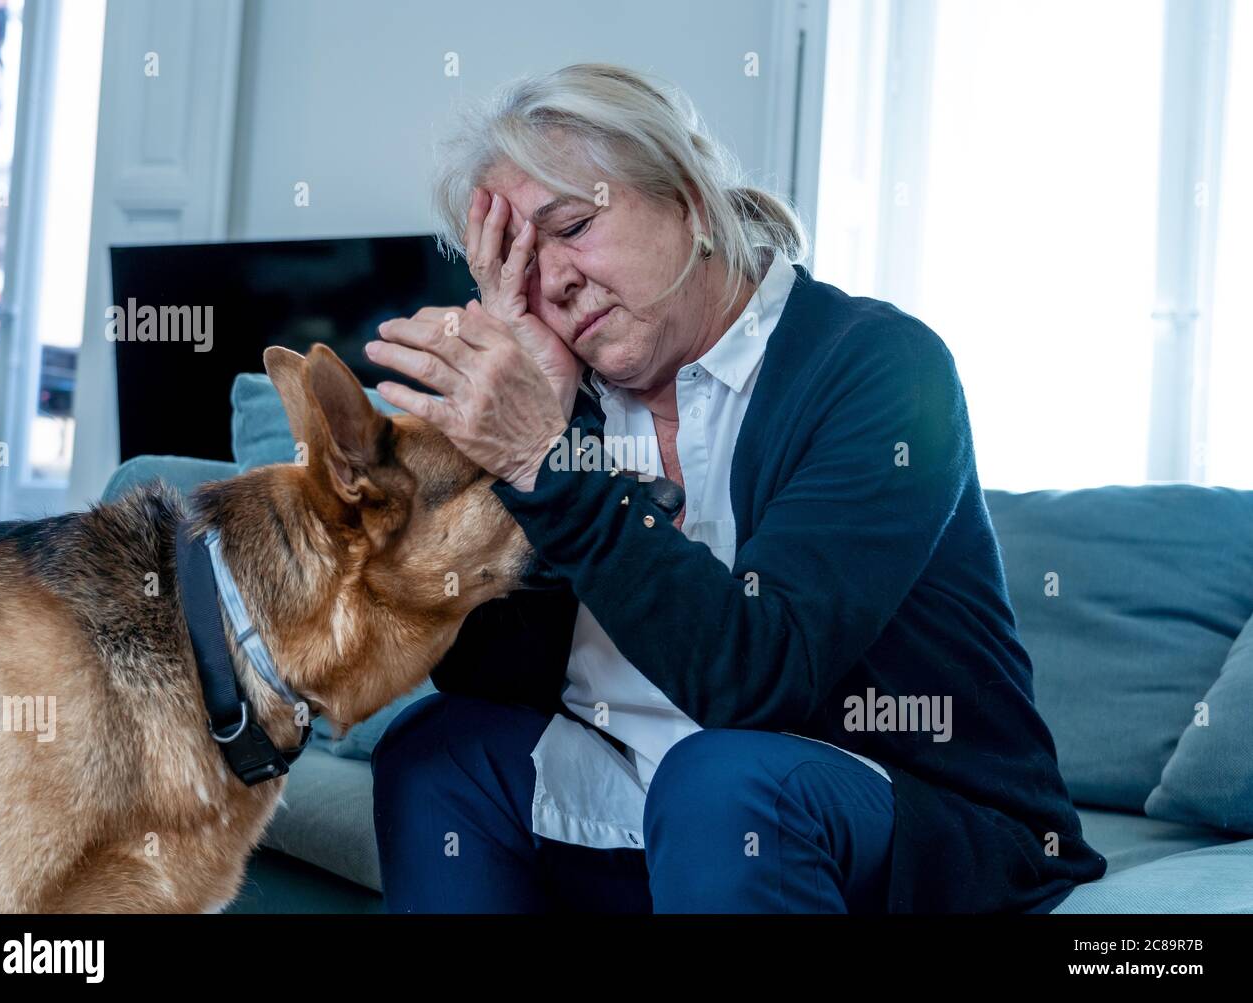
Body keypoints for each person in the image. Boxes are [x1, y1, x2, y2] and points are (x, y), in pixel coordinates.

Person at [364, 62, 1107, 913]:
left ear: (684, 195)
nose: (554, 281)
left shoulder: (882, 369)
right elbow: (488, 671)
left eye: (569, 227)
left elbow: (760, 675)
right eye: (519, 267)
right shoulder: (571, 404)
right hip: (650, 805)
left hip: (886, 819)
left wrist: (543, 458)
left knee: (722, 782)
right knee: (434, 752)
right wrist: (514, 459)